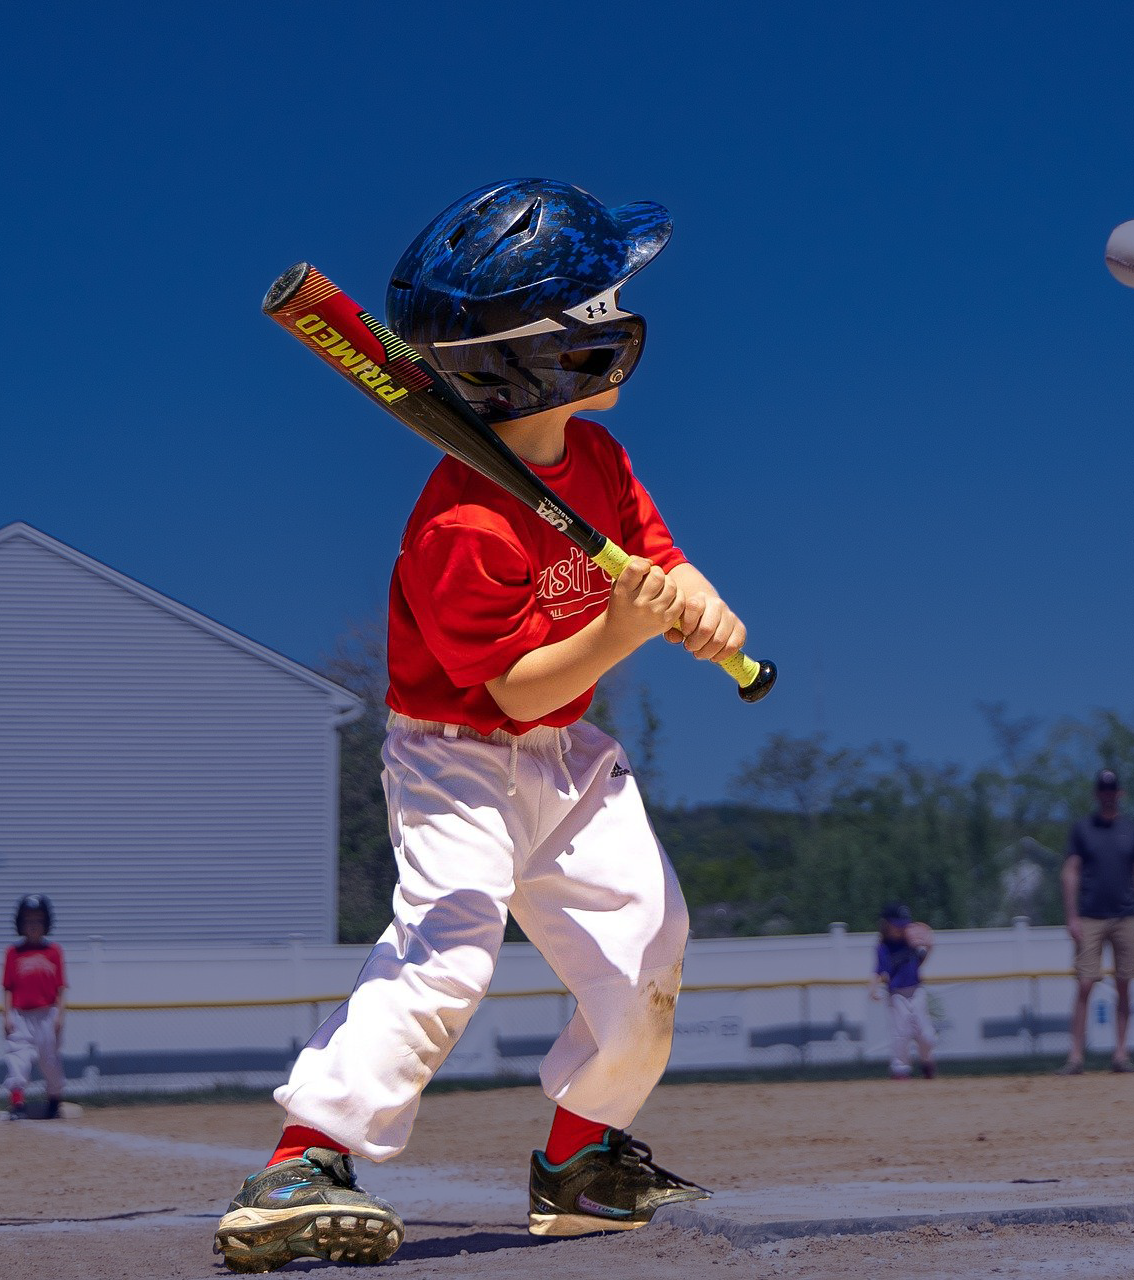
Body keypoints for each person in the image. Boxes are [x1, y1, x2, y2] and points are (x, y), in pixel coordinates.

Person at [213, 179, 744, 1273]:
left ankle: (582, 1156)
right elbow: (515, 688)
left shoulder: (594, 462)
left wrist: (695, 596)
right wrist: (625, 633)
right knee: (449, 945)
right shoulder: (458, 522)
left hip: (566, 759)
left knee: (648, 940)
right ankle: (302, 1159)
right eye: (597, 303)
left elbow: (654, 548)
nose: (617, 313)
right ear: (547, 353)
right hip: (455, 761)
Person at [1059, 768, 1134, 1075]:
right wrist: (1071, 915)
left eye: (1112, 790)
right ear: (1096, 794)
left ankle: (1121, 1054)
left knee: (1124, 985)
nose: (1108, 795)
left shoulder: (1132, 830)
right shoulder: (1082, 829)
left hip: (1125, 916)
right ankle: (1076, 1057)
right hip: (1090, 916)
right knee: (1085, 984)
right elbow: (1070, 872)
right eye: (1103, 790)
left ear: (1120, 793)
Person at [2, 894, 68, 1118]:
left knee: (49, 1059)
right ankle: (18, 1103)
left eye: (38, 920)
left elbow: (60, 987)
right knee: (18, 1057)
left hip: (48, 1013)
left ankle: (54, 1100)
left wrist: (60, 1015)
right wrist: (6, 1015)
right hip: (20, 1014)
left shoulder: (54, 952)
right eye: (28, 920)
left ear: (46, 923)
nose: (33, 925)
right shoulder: (13, 953)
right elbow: (8, 987)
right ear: (20, 924)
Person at [870, 903, 937, 1079]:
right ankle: (900, 1070)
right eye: (896, 924)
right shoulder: (883, 948)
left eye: (903, 924)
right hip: (897, 994)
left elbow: (920, 962)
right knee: (901, 1033)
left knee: (926, 1034)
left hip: (916, 990)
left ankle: (927, 1063)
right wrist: (873, 987)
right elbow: (878, 971)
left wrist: (929, 946)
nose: (900, 928)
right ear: (886, 924)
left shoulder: (911, 942)